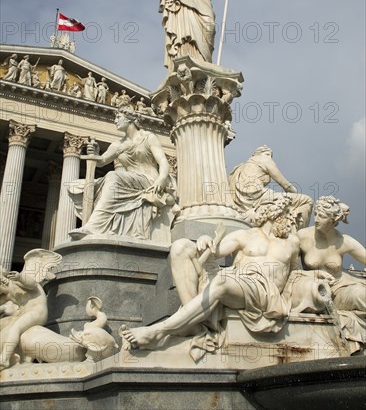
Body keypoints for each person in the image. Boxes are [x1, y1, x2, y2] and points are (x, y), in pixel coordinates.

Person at [120, 195, 300, 352]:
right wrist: (205, 240)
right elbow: (215, 251)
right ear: (274, 213)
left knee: (222, 279)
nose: (290, 221)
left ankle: (157, 332)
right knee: (181, 246)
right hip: (240, 282)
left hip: (265, 293)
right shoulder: (245, 235)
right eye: (286, 215)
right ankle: (192, 326)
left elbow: (295, 274)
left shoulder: (292, 242)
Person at [69, 108, 175, 240]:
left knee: (113, 176)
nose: (115, 121)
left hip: (149, 181)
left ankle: (94, 225)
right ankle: (98, 225)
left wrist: (161, 179)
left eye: (118, 117)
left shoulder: (148, 137)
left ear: (129, 118)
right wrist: (94, 153)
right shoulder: (117, 145)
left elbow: (163, 161)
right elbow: (102, 161)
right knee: (76, 185)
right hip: (129, 181)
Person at [293, 196, 366, 352]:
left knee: (362, 294)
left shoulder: (344, 241)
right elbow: (289, 270)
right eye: (316, 214)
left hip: (340, 288)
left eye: (322, 216)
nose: (316, 219)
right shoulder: (302, 237)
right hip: (313, 289)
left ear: (333, 221)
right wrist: (313, 275)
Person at [229, 145, 313, 228]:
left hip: (241, 204)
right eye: (270, 155)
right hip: (259, 197)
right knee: (306, 200)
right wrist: (295, 194)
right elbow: (285, 184)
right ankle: (296, 232)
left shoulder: (240, 167)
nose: (270, 158)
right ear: (265, 153)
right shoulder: (265, 159)